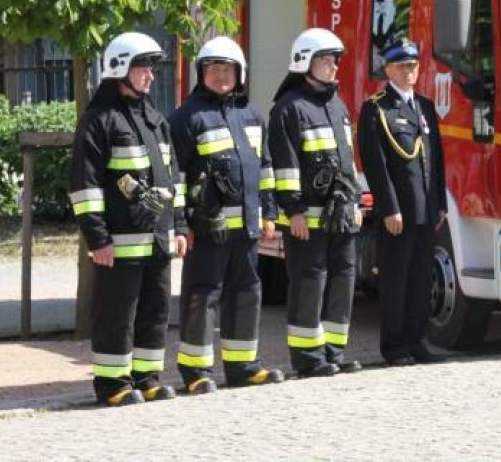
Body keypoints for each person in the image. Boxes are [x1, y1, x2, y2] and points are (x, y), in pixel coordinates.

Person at [68, 32, 186, 407]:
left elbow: (172, 177)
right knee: (118, 314)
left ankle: (147, 378)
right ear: (120, 68)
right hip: (118, 242)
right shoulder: (99, 120)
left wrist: (179, 225)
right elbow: (84, 186)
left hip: (158, 239)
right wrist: (97, 238)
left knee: (154, 311)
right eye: (143, 67)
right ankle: (112, 383)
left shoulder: (154, 118)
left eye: (152, 67)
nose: (151, 75)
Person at [169, 36, 284, 394]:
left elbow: (265, 168)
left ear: (240, 74)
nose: (221, 76)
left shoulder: (251, 115)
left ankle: (243, 367)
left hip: (247, 230)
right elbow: (177, 178)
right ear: (201, 73)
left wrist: (269, 212)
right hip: (207, 231)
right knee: (204, 296)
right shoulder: (186, 118)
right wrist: (181, 224)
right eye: (214, 69)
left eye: (228, 69)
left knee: (247, 294)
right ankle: (196, 371)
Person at [268, 28, 362, 377]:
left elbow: (348, 160)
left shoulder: (337, 105)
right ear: (304, 62)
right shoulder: (289, 109)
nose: (334, 66)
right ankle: (308, 358)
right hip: (307, 218)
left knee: (343, 279)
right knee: (310, 282)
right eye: (326, 60)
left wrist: (355, 204)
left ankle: (333, 353)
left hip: (342, 215)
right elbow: (285, 164)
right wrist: (293, 211)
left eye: (335, 60)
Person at [358, 38, 448, 367]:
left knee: (420, 280)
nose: (409, 72)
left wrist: (440, 203)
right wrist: (389, 207)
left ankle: (417, 340)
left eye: (413, 66)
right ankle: (395, 347)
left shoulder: (424, 107)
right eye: (402, 67)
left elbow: (436, 159)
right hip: (398, 212)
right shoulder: (377, 108)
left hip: (426, 209)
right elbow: (376, 165)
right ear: (389, 70)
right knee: (395, 282)